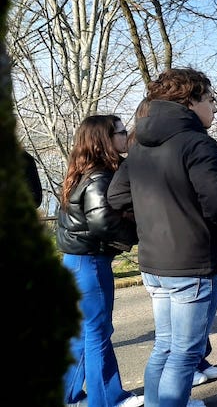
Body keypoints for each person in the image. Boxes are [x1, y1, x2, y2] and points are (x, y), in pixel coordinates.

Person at [108, 68, 217, 407]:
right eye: (210, 101)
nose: (214, 109)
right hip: (192, 263)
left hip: (154, 262)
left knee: (165, 346)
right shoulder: (197, 142)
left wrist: (156, 214)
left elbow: (117, 197)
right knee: (184, 354)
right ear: (190, 101)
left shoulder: (139, 142)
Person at [58, 115, 142, 407]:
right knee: (98, 331)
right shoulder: (99, 177)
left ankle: (67, 394)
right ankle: (107, 398)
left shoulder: (81, 172)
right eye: (119, 132)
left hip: (76, 262)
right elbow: (103, 222)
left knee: (83, 332)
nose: (125, 136)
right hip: (90, 264)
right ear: (104, 139)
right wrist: (135, 234)